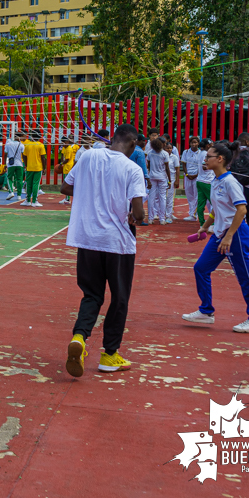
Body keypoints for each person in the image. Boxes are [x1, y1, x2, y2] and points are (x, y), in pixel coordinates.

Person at [61, 123, 146, 377]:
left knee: (91, 295)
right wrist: (135, 215)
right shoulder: (132, 168)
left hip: (87, 238)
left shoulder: (88, 156)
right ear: (132, 143)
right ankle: (110, 354)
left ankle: (80, 336)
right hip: (117, 242)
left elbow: (65, 188)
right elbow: (139, 213)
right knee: (119, 298)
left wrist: (90, 194)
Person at [182, 141, 249, 333]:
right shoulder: (215, 181)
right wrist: (204, 226)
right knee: (201, 268)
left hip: (234, 235)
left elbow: (242, 209)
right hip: (220, 234)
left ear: (220, 159)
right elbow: (216, 211)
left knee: (244, 277)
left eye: (209, 156)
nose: (205, 159)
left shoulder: (229, 181)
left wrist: (229, 237)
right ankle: (206, 311)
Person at [145, 137, 170, 224]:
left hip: (152, 176)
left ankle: (150, 218)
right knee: (162, 197)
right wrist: (169, 180)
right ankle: (162, 219)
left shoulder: (150, 153)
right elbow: (167, 168)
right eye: (165, 143)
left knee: (151, 197)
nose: (166, 145)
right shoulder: (165, 154)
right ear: (162, 144)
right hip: (162, 177)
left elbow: (148, 165)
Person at [21, 134, 46, 207]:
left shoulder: (27, 145)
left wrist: (26, 165)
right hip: (38, 167)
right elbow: (43, 157)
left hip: (29, 167)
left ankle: (27, 200)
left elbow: (24, 156)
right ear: (39, 137)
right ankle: (34, 201)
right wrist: (44, 168)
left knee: (28, 184)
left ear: (32, 137)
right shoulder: (40, 145)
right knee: (36, 184)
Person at [195, 139, 215, 227]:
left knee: (201, 203)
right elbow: (204, 167)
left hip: (200, 180)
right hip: (207, 181)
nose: (212, 145)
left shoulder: (200, 153)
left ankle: (202, 223)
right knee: (214, 202)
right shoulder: (205, 154)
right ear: (207, 145)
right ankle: (212, 223)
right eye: (211, 144)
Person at [180, 137, 201, 221]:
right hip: (188, 176)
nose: (193, 144)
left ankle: (194, 214)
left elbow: (201, 165)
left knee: (196, 195)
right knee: (189, 195)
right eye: (192, 142)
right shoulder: (186, 152)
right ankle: (191, 212)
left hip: (197, 176)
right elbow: (184, 164)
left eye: (195, 142)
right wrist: (187, 174)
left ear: (198, 143)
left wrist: (196, 174)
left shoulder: (200, 153)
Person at [58, 136, 79, 205]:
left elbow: (67, 159)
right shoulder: (65, 148)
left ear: (67, 142)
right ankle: (67, 198)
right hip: (66, 167)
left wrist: (60, 164)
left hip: (68, 167)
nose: (63, 144)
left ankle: (67, 199)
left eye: (64, 143)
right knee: (65, 182)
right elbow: (62, 155)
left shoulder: (69, 149)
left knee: (67, 183)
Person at [4, 132, 25, 200]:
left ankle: (11, 192)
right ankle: (19, 195)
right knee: (19, 179)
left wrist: (4, 164)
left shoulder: (8, 144)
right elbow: (23, 155)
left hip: (11, 164)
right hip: (19, 164)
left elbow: (5, 154)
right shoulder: (21, 145)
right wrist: (25, 164)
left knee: (9, 178)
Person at [165, 138, 179, 222]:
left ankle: (168, 215)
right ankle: (160, 214)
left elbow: (177, 169)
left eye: (170, 148)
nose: (169, 150)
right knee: (161, 197)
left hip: (172, 178)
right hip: (163, 178)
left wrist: (177, 180)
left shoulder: (174, 157)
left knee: (170, 197)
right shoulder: (162, 156)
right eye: (167, 148)